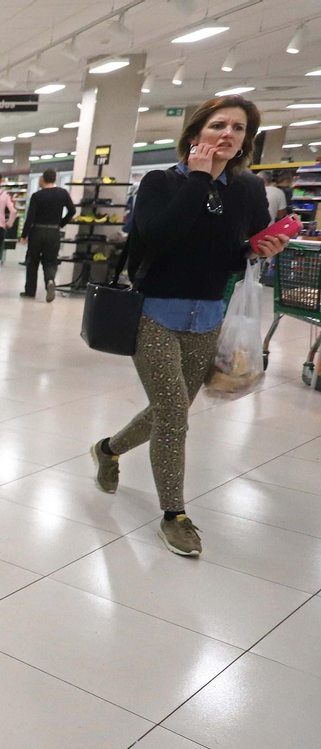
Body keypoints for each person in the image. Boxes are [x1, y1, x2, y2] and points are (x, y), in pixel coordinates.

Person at [90, 95, 287, 557]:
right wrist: (199, 179)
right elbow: (158, 235)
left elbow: (234, 253)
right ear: (196, 133)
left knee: (168, 409)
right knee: (174, 414)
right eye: (219, 125)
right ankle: (173, 514)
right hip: (155, 313)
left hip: (209, 316)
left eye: (239, 128)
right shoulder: (161, 182)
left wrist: (260, 249)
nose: (228, 134)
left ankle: (108, 449)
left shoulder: (247, 190)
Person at [19, 169, 74, 301]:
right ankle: (50, 281)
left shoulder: (37, 196)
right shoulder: (63, 193)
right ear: (55, 179)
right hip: (53, 232)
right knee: (50, 261)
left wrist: (24, 234)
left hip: (37, 231)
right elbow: (72, 210)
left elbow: (30, 217)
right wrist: (61, 223)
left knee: (32, 261)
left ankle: (30, 290)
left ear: (43, 179)